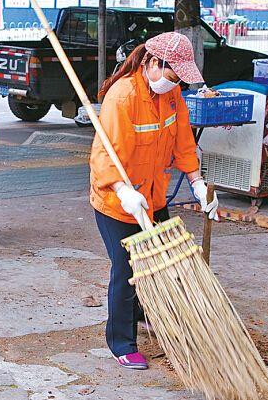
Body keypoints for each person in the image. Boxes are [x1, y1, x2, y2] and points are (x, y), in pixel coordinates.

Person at [89, 32, 219, 370]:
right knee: (127, 267)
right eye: (173, 75)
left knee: (157, 261)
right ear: (151, 63)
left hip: (152, 194)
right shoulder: (122, 97)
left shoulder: (172, 94)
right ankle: (121, 342)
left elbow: (184, 143)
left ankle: (146, 312)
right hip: (117, 200)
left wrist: (197, 181)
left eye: (178, 79)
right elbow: (104, 155)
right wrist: (121, 190)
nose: (175, 83)